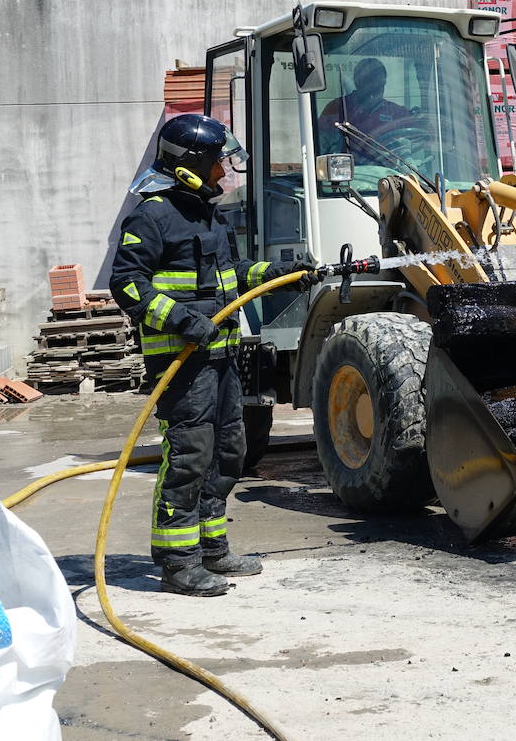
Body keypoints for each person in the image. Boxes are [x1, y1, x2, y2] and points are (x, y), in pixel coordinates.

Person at [110, 113, 319, 598]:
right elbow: (127, 285)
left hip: (221, 356)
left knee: (230, 451)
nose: (224, 174)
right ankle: (177, 563)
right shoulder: (152, 215)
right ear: (189, 166)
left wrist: (284, 273)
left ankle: (212, 547)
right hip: (181, 362)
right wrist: (184, 321)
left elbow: (232, 274)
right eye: (217, 165)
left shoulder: (207, 213)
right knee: (189, 455)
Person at [317, 57, 428, 163]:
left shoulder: (396, 112)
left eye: (379, 85)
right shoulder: (337, 108)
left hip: (389, 176)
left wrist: (424, 121)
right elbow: (319, 147)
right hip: (349, 176)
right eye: (369, 83)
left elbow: (426, 138)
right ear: (358, 82)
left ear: (384, 83)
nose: (375, 88)